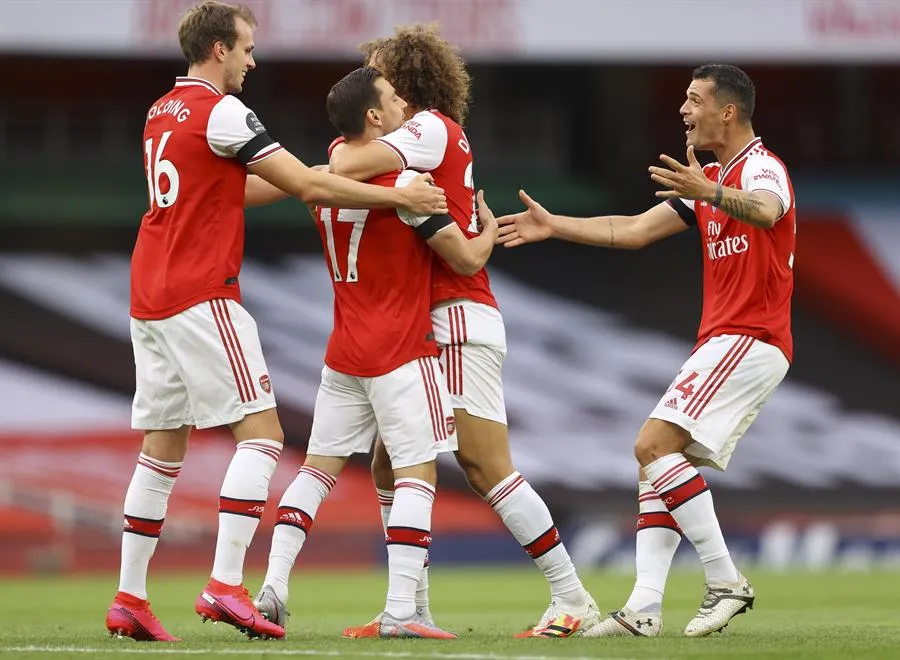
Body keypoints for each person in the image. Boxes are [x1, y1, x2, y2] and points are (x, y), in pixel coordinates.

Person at [105, 1, 446, 643]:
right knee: (261, 435)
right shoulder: (223, 110)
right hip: (201, 290)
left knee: (162, 446)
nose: (251, 60)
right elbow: (311, 190)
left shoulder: (161, 111)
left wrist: (309, 177)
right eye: (245, 48)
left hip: (147, 294)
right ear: (217, 51)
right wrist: (397, 193)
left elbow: (233, 189)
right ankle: (227, 584)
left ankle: (129, 596)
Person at [497, 64, 795, 638]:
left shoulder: (759, 166)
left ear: (727, 111)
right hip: (726, 337)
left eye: (693, 99)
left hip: (751, 335)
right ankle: (644, 608)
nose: (683, 110)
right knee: (655, 462)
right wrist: (554, 225)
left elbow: (768, 210)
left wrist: (708, 189)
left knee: (652, 444)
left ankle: (726, 580)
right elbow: (632, 230)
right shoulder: (712, 177)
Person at [330, 24, 599, 638]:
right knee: (388, 463)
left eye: (380, 72)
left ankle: (572, 596)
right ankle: (409, 606)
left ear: (405, 78)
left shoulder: (425, 128)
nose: (373, 87)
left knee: (484, 464)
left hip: (455, 318)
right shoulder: (431, 135)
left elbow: (346, 158)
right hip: (432, 318)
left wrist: (344, 151)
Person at [251, 66, 499, 639]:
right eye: (391, 99)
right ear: (374, 117)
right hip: (401, 348)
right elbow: (464, 259)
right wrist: (485, 228)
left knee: (316, 470)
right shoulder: (404, 186)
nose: (402, 104)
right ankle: (401, 612)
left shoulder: (324, 181)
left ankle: (274, 585)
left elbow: (304, 181)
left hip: (343, 351)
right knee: (417, 475)